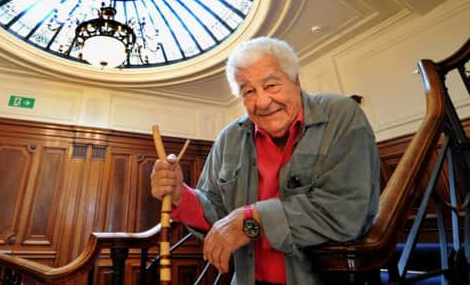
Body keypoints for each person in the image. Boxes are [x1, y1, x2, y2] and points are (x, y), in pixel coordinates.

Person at [150, 37, 380, 285]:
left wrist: (252, 220)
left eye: (271, 85)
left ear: (296, 81)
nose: (262, 101)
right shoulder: (229, 137)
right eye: (248, 91)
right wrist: (179, 195)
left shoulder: (340, 114)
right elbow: (218, 216)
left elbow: (347, 210)